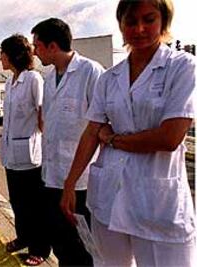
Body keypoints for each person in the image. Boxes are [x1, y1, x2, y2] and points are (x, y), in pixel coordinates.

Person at [60, 0, 196, 266]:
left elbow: (169, 138)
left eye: (149, 19)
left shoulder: (182, 66)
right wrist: (70, 183)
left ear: (164, 22)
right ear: (121, 25)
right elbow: (91, 132)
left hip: (157, 201)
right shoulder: (110, 77)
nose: (140, 28)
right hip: (109, 193)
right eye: (131, 21)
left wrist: (112, 138)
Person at [31, 18, 104, 266]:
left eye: (37, 46)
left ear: (52, 46)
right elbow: (49, 123)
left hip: (81, 180)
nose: (34, 52)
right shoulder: (50, 78)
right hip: (52, 174)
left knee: (83, 244)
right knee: (61, 239)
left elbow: (100, 126)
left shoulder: (90, 72)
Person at [0, 34, 49, 266]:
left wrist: (49, 146)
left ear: (13, 55)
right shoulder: (10, 81)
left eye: (3, 53)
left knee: (35, 206)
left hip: (31, 155)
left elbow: (42, 115)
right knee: (17, 202)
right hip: (11, 153)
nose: (0, 58)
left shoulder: (33, 79)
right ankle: (23, 238)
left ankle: (39, 248)